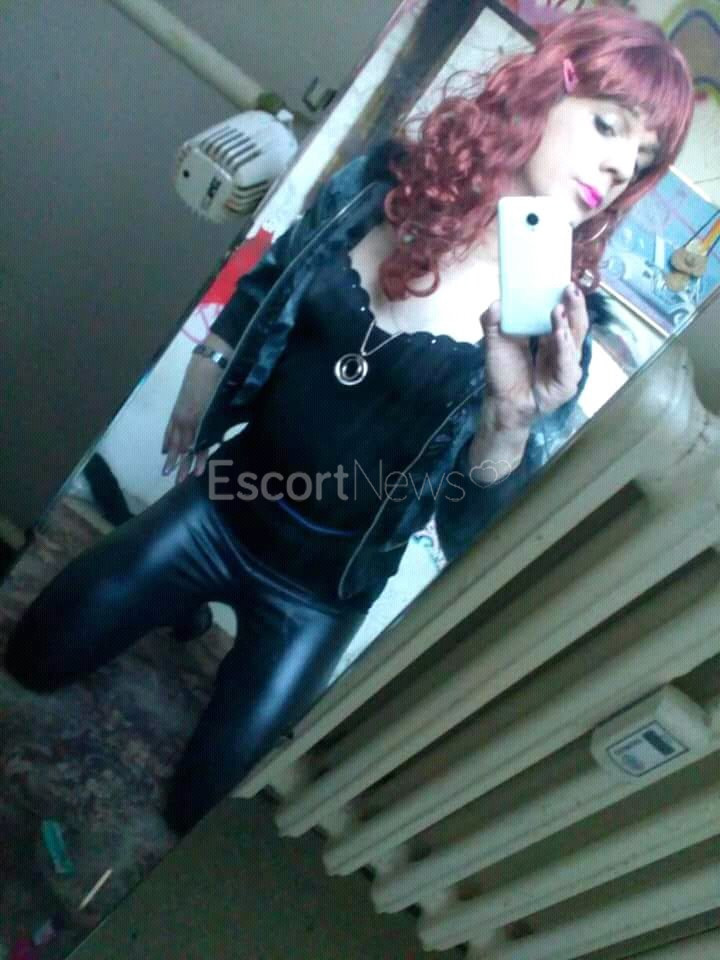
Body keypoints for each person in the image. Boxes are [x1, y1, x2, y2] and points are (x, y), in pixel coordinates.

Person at [5, 8, 694, 834]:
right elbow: (278, 270)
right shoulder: (386, 182)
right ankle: (177, 602)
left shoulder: (555, 329)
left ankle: (190, 618)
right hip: (223, 507)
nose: (617, 168)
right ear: (549, 87)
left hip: (319, 593)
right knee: (32, 657)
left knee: (197, 810)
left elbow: (471, 528)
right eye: (610, 126)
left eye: (640, 160)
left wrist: (510, 422)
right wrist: (210, 360)